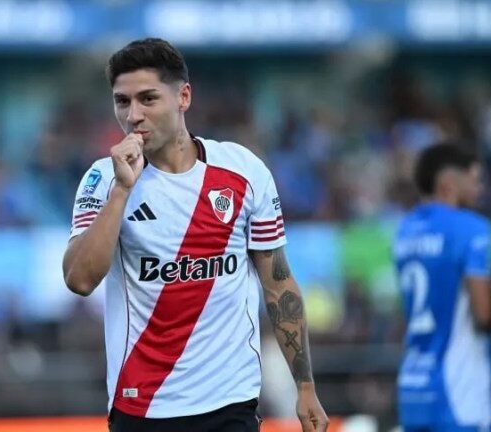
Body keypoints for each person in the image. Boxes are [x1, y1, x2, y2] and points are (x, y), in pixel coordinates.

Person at [62, 38, 327, 432]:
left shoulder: (243, 171)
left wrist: (304, 387)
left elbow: (278, 285)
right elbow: (79, 280)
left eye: (148, 99)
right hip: (142, 406)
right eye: (122, 102)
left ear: (183, 97)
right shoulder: (103, 179)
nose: (133, 115)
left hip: (230, 403)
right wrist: (122, 191)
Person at [393, 143, 491, 432]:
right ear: (448, 183)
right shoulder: (471, 227)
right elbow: (484, 315)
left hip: (413, 388)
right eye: (475, 179)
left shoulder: (405, 231)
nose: (480, 189)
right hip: (459, 393)